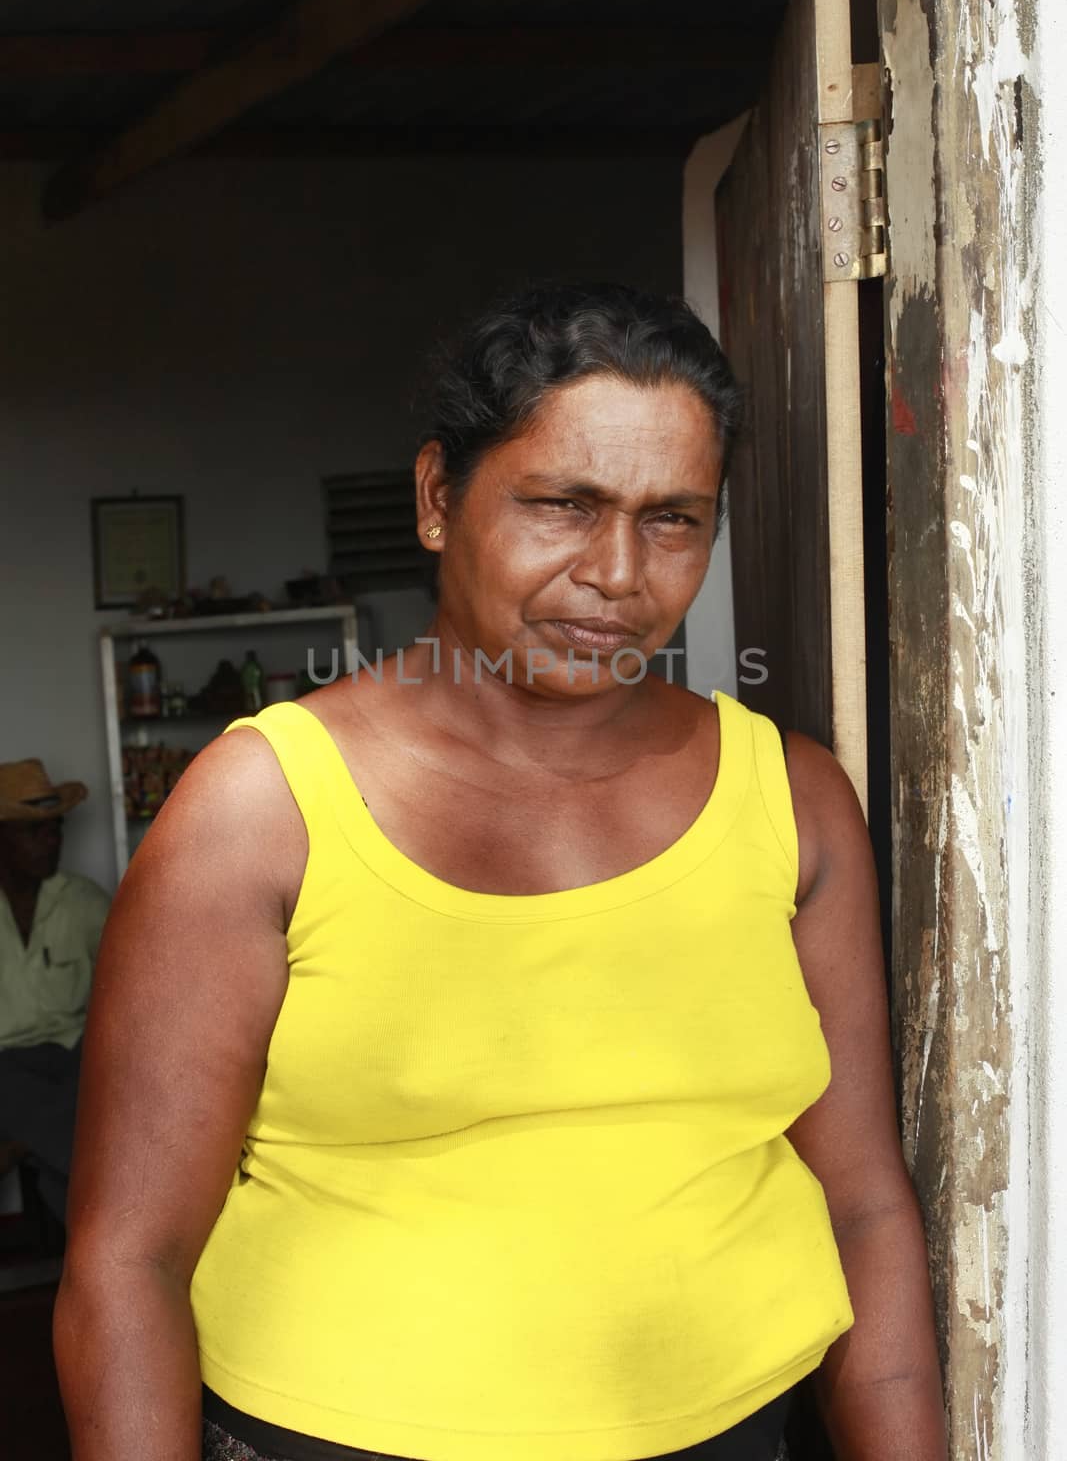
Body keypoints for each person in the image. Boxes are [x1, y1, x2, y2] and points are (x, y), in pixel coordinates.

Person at [55, 283, 947, 1461]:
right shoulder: (262, 811)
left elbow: (863, 1206)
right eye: (562, 504)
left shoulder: (790, 800)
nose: (617, 572)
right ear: (437, 497)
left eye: (672, 517)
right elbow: (130, 1259)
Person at [0, 759, 110, 1223]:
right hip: (7, 1066)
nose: (52, 841)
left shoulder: (84, 902)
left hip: (76, 1056)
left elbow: (136, 995)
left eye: (56, 829)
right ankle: (104, 1216)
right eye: (34, 831)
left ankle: (27, 1145)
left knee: (109, 1076)